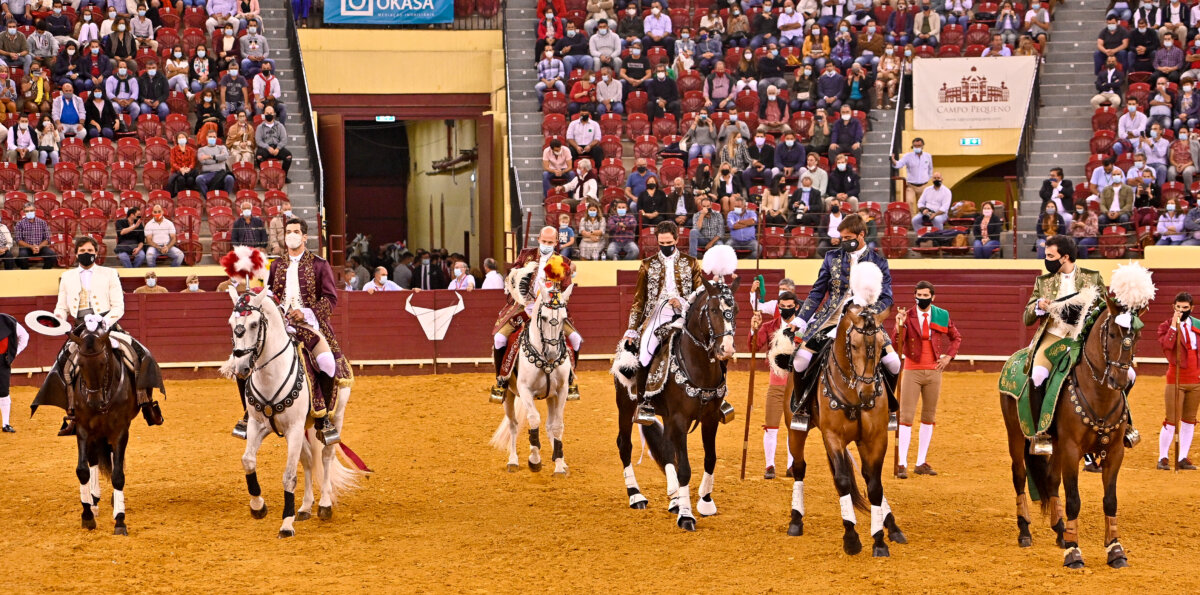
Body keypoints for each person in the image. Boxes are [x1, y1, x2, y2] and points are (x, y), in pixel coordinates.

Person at [37, 235, 164, 436]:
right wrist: (58, 318)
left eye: (89, 251)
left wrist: (103, 321)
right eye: (82, 252)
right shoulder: (67, 277)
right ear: (76, 253)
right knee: (63, 365)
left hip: (107, 325)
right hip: (79, 328)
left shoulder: (109, 274)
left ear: (96, 253)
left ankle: (145, 402)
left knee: (140, 355)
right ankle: (72, 413)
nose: (86, 254)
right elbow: (61, 306)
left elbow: (118, 307)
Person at [790, 214, 900, 428]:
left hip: (866, 320)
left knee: (894, 363)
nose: (843, 241)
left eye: (848, 237)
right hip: (831, 319)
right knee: (800, 360)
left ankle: (889, 408)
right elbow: (817, 291)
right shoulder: (832, 257)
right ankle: (802, 408)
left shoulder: (878, 261)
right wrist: (802, 319)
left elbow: (886, 298)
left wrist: (872, 313)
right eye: (841, 237)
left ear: (861, 235)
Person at [264, 217, 352, 443]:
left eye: (295, 231)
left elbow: (331, 299)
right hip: (282, 325)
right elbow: (272, 295)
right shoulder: (276, 265)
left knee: (328, 363)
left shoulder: (319, 264)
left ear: (305, 237)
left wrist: (306, 312)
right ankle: (250, 414)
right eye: (288, 231)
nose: (291, 235)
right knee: (248, 360)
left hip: (310, 325)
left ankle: (323, 418)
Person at [1022, 235, 1109, 453]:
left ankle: (1125, 426)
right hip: (1053, 336)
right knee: (1038, 374)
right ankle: (1041, 433)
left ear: (1065, 257)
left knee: (1123, 375)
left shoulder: (1092, 277)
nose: (1046, 260)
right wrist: (1039, 306)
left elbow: (1106, 309)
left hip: (1084, 338)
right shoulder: (1043, 282)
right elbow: (1027, 317)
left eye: (1051, 256)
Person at [489, 226, 581, 400]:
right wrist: (521, 295)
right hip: (523, 308)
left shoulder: (561, 262)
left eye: (550, 242)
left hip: (551, 310)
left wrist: (548, 305)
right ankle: (500, 382)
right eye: (544, 241)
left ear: (556, 243)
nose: (546, 245)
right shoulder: (526, 255)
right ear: (538, 239)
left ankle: (570, 381)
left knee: (575, 339)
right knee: (499, 338)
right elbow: (512, 278)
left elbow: (565, 290)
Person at [623, 221, 702, 422]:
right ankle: (644, 403)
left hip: (686, 313)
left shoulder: (691, 262)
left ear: (676, 240)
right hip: (656, 315)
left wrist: (683, 301)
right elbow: (639, 300)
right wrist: (632, 329)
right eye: (661, 243)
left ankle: (718, 396)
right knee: (645, 351)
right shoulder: (647, 264)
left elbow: (700, 293)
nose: (665, 246)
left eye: (669, 242)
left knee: (711, 344)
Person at [892, 281, 961, 478]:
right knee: (906, 417)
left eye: (925, 296)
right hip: (912, 370)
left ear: (933, 297)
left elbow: (956, 337)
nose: (922, 299)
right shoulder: (907, 316)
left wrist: (948, 357)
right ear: (914, 296)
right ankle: (902, 463)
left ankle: (921, 461)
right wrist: (899, 325)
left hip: (934, 371)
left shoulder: (941, 315)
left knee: (928, 417)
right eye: (919, 296)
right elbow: (896, 342)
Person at [749, 289, 800, 478]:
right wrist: (754, 328)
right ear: (778, 307)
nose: (786, 309)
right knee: (771, 425)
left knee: (793, 425)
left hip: (797, 385)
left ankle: (791, 464)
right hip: (776, 383)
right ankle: (769, 465)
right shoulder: (770, 326)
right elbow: (754, 345)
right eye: (783, 307)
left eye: (789, 306)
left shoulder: (802, 327)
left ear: (797, 306)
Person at [1158, 292, 1200, 470]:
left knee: (1190, 420)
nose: (1181, 311)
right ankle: (1163, 458)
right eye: (1178, 307)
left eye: (1185, 308)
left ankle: (1182, 457)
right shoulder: (1166, 326)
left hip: (1196, 379)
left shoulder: (1197, 325)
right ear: (1173, 307)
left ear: (1192, 308)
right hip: (1175, 379)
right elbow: (1166, 346)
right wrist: (1174, 327)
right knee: (1172, 419)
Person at [0, 310, 26, 432]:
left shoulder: (7, 320)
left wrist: (13, 353)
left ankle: (6, 424)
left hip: (2, 361)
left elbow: (24, 336)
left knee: (3, 392)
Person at [893, 138, 932, 209]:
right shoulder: (908, 156)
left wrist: (927, 178)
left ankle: (920, 219)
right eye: (915, 146)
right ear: (913, 146)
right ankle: (911, 219)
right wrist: (893, 160)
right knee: (909, 202)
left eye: (919, 145)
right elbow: (899, 164)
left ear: (922, 146)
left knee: (923, 205)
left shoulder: (928, 156)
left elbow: (930, 169)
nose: (917, 147)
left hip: (923, 186)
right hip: (911, 186)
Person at [254, 105, 291, 179]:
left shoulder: (280, 126)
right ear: (264, 114)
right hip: (265, 148)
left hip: (277, 147)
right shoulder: (260, 127)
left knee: (288, 156)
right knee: (258, 157)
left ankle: (283, 176)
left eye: (271, 113)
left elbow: (284, 139)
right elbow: (258, 140)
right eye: (267, 113)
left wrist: (278, 148)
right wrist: (267, 147)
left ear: (274, 114)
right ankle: (264, 176)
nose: (269, 115)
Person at [13, 202, 54, 268]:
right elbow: (18, 240)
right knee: (22, 256)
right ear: (24, 212)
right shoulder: (19, 224)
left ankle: (45, 271)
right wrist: (31, 246)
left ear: (35, 211)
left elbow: (47, 238)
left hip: (40, 246)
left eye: (31, 210)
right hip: (26, 247)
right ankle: (25, 273)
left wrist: (39, 247)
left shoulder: (42, 222)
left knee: (51, 255)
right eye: (27, 211)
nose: (29, 212)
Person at [197, 128, 234, 196]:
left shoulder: (222, 147)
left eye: (214, 137)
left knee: (230, 178)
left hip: (221, 173)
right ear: (206, 137)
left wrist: (210, 156)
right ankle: (208, 198)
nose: (212, 138)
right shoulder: (201, 149)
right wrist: (219, 160)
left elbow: (225, 156)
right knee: (199, 179)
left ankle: (225, 197)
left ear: (216, 138)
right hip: (208, 174)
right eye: (210, 137)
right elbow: (202, 161)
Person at [167, 132, 197, 196]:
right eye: (179, 138)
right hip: (177, 171)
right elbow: (172, 163)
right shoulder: (173, 150)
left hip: (188, 171)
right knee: (181, 179)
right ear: (177, 140)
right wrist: (180, 169)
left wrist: (189, 168)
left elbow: (193, 162)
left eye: (183, 137)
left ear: (186, 139)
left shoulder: (191, 150)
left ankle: (191, 195)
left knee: (190, 179)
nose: (181, 139)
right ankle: (181, 194)